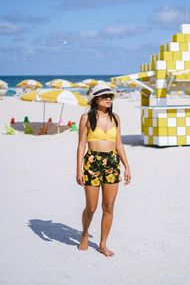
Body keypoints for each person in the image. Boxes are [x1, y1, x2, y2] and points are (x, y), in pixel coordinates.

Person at [76, 84, 131, 256]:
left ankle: (103, 243)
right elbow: (81, 145)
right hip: (92, 162)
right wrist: (79, 170)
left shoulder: (115, 118)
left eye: (110, 96)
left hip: (112, 163)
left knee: (108, 206)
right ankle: (85, 234)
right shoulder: (87, 117)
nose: (108, 98)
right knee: (91, 207)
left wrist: (127, 166)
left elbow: (119, 144)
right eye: (104, 96)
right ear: (95, 99)